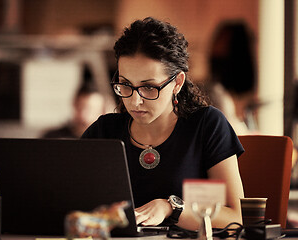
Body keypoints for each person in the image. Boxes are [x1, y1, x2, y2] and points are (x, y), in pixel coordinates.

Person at [81, 17, 244, 230]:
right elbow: (73, 204)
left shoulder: (207, 125)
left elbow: (236, 217)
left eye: (149, 88)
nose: (134, 100)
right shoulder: (104, 131)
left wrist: (171, 208)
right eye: (125, 85)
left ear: (177, 83)